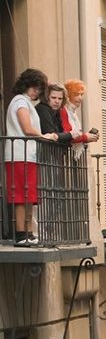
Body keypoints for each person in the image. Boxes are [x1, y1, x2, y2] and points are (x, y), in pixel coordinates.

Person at [4, 68, 59, 245]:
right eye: (34, 87)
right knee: (21, 195)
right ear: (26, 85)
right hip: (19, 154)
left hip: (28, 154)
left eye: (39, 88)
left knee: (29, 195)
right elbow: (27, 128)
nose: (36, 91)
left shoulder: (26, 102)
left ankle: (28, 232)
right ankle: (21, 234)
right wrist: (45, 136)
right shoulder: (20, 102)